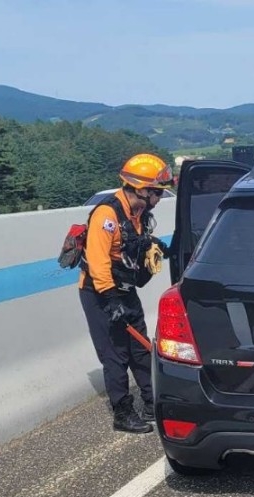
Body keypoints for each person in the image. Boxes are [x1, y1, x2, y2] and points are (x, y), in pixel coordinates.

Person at [79, 153, 173, 433]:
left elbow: (134, 245)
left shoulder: (140, 215)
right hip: (99, 293)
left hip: (125, 291)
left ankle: (151, 402)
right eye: (156, 192)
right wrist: (110, 301)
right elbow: (98, 262)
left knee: (140, 350)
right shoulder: (107, 215)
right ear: (140, 189)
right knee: (115, 354)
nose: (159, 197)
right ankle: (123, 414)